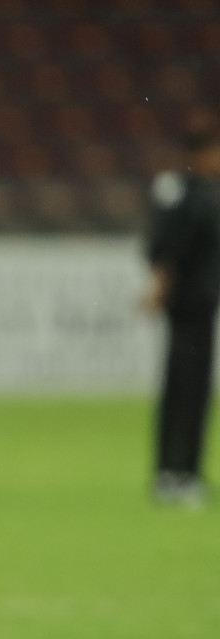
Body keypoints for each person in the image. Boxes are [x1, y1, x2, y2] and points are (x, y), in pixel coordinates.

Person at [147, 119, 220, 506]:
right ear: (202, 155)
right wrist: (159, 290)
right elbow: (169, 254)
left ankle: (173, 472)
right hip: (191, 310)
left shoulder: (185, 195)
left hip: (193, 310)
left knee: (183, 391)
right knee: (188, 392)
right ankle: (180, 473)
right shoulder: (193, 200)